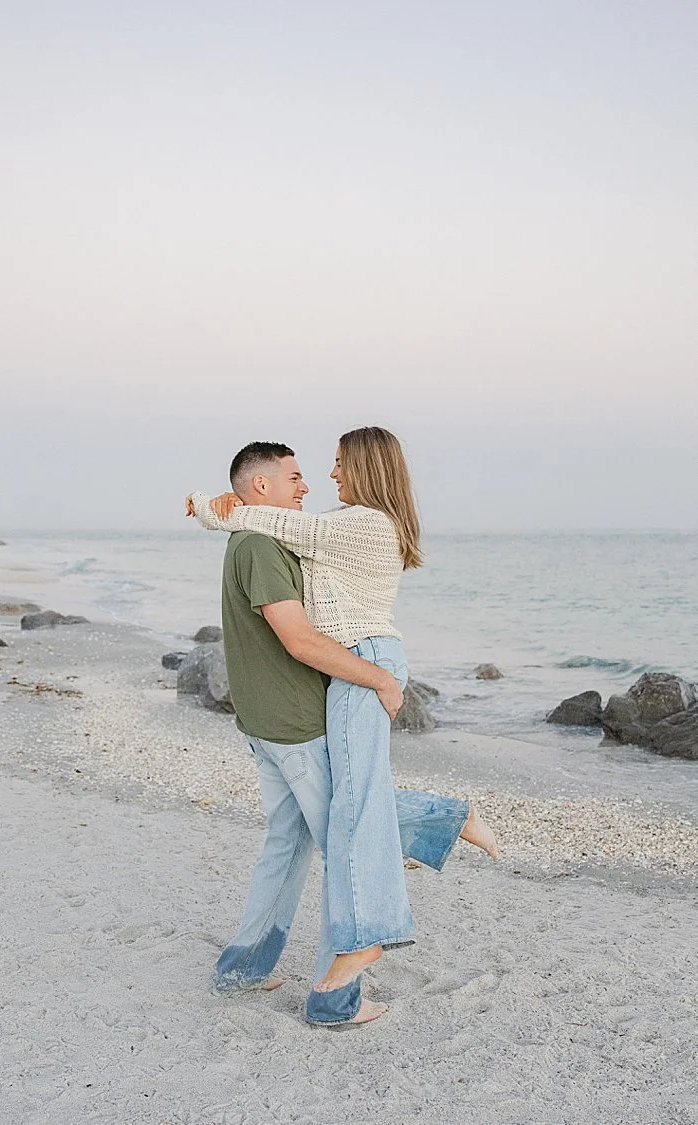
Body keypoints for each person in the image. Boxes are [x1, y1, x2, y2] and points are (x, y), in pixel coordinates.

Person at [189, 436, 498, 1024]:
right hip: (295, 717)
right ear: (261, 486)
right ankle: (326, 985)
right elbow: (300, 639)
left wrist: (214, 507)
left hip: (290, 709)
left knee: (328, 826)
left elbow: (309, 561)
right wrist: (380, 680)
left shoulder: (344, 527)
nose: (314, 482)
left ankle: (276, 972)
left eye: (327, 467)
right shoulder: (264, 540)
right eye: (298, 475)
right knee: (344, 824)